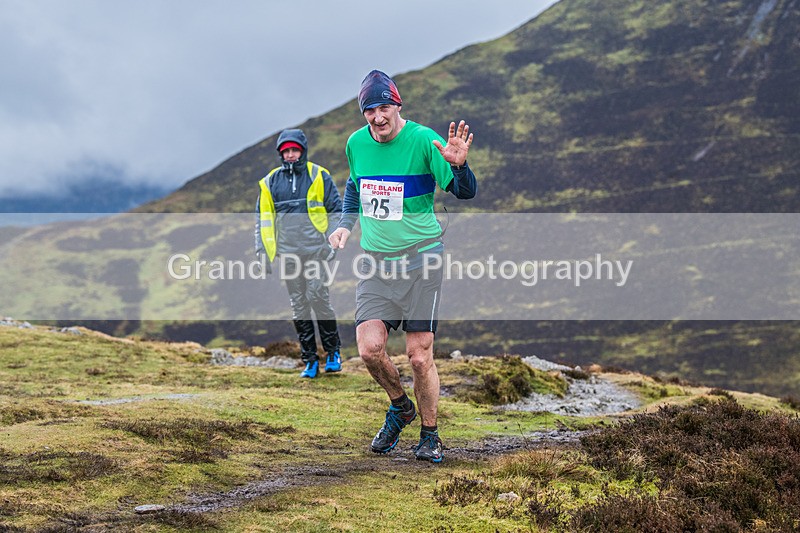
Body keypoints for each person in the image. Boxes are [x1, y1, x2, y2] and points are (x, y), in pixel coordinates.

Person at [328, 70, 477, 463]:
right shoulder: (356, 143)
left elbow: (464, 192)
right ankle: (400, 407)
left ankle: (430, 435)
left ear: (397, 105)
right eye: (370, 109)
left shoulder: (424, 140)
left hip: (421, 259)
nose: (378, 116)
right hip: (376, 264)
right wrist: (345, 226)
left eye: (384, 107)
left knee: (418, 355)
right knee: (370, 349)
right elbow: (355, 187)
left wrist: (460, 167)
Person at [255, 128, 343, 379]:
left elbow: (337, 210)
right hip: (289, 254)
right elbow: (262, 219)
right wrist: (262, 251)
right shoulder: (270, 181)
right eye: (286, 151)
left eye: (295, 150)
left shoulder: (319, 175)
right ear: (281, 154)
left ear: (303, 151)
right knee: (299, 306)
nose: (291, 155)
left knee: (317, 296)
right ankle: (310, 361)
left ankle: (333, 353)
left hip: (317, 250)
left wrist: (332, 243)